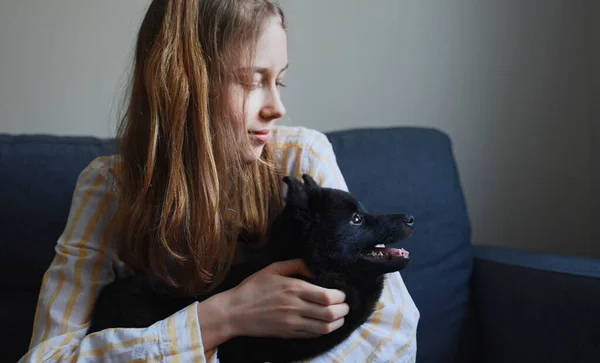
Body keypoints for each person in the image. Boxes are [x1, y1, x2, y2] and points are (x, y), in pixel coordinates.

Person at [20, 0, 419, 362]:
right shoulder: (108, 188)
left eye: (278, 81)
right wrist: (223, 316)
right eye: (250, 82)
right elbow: (47, 357)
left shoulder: (301, 159)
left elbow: (394, 334)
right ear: (184, 86)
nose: (277, 107)